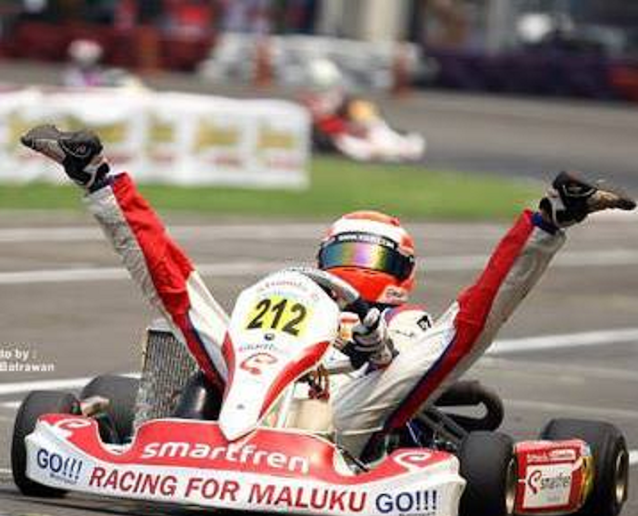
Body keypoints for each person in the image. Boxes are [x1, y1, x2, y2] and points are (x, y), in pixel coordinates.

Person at [20, 125, 635, 459]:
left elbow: (408, 363)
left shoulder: (409, 318)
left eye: (371, 257)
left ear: (402, 272)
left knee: (467, 326)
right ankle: (95, 177)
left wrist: (372, 344)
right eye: (345, 254)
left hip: (349, 415)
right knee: (180, 294)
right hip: (258, 382)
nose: (355, 268)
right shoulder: (305, 293)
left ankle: (553, 218)